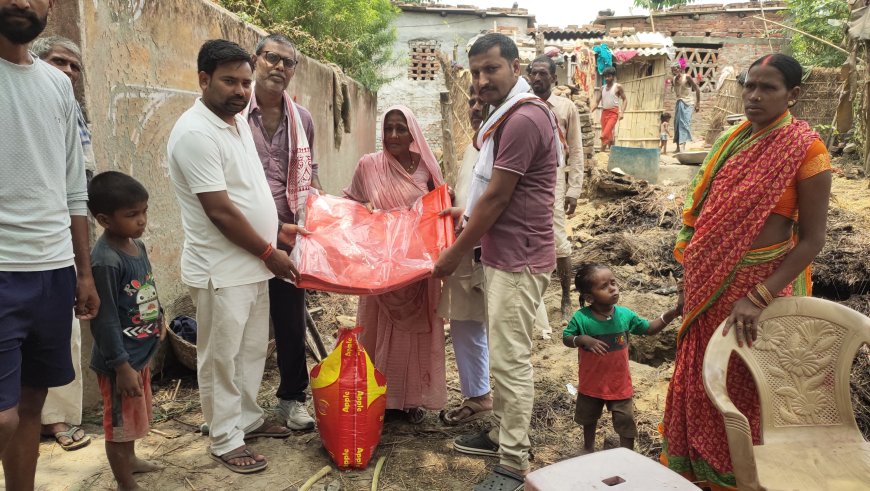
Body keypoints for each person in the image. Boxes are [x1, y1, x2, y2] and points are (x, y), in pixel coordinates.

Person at [661, 54, 832, 489]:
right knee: (702, 378)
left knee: (744, 386)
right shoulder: (732, 141)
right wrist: (689, 278)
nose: (754, 95)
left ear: (793, 95)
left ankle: (743, 477)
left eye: (768, 87)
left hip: (757, 292)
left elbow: (812, 240)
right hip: (707, 283)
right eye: (749, 85)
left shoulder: (807, 151)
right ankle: (700, 472)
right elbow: (704, 215)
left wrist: (758, 297)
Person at [433, 33, 562, 491]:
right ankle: (499, 435)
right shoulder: (505, 116)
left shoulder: (523, 118)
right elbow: (490, 193)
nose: (482, 79)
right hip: (504, 252)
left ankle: (513, 462)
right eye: (476, 72)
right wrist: (462, 212)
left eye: (491, 69)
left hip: (518, 258)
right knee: (505, 355)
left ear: (515, 66)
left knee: (510, 362)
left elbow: (498, 197)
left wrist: (454, 253)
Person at [167, 39, 299, 474]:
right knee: (221, 358)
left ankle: (247, 418)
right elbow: (220, 211)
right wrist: (269, 251)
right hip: (221, 269)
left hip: (252, 264)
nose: (241, 91)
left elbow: (246, 192)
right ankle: (224, 437)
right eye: (229, 81)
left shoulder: (236, 123)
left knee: (250, 351)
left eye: (245, 82)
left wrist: (275, 231)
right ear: (203, 79)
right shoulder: (195, 133)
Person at [0, 1, 100, 489]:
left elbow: (74, 188)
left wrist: (83, 272)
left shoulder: (57, 86)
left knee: (30, 403)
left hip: (54, 270)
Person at [344, 105, 448, 424]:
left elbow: (440, 209)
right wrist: (370, 228)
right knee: (376, 327)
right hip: (381, 264)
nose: (393, 135)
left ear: (412, 132)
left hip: (418, 267)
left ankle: (410, 399)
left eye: (400, 128)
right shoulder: (369, 165)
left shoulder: (426, 168)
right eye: (388, 128)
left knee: (414, 333)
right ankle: (382, 398)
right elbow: (351, 204)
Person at [243, 33, 316, 431]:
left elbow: (310, 171)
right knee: (243, 323)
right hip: (242, 234)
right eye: (272, 58)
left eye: (288, 62)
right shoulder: (236, 113)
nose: (279, 67)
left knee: (291, 320)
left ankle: (291, 399)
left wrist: (322, 212)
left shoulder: (301, 119)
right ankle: (237, 409)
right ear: (256, 59)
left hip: (289, 237)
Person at [31, 34, 94, 452]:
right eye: (59, 61)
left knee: (62, 333)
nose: (69, 71)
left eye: (75, 66)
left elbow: (80, 185)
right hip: (17, 242)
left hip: (61, 238)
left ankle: (57, 417)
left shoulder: (74, 114)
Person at [87, 172, 164, 491]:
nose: (142, 220)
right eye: (132, 214)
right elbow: (103, 318)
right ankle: (124, 482)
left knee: (132, 418)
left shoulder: (137, 245)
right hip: (119, 361)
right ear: (104, 220)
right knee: (118, 425)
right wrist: (120, 365)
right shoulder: (105, 261)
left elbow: (147, 287)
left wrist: (159, 319)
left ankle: (130, 461)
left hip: (139, 353)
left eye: (144, 211)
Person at [563, 263, 680, 453]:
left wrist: (672, 314)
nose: (613, 288)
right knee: (589, 418)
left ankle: (627, 454)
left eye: (613, 282)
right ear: (589, 297)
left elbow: (649, 329)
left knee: (626, 421)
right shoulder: (582, 318)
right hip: (591, 383)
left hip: (619, 383)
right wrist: (582, 339)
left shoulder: (625, 315)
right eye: (604, 286)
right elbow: (566, 338)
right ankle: (588, 448)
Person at [438, 85, 492, 426]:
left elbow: (496, 202)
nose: (474, 107)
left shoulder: (499, 143)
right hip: (466, 246)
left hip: (489, 250)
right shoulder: (474, 145)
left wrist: (466, 216)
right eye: (471, 101)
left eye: (481, 101)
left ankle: (492, 404)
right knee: (465, 323)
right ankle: (478, 394)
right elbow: (475, 197)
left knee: (489, 326)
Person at [527, 55, 585, 328]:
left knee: (559, 238)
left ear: (554, 78)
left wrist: (574, 189)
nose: (537, 78)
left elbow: (576, 150)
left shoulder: (565, 107)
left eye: (543, 74)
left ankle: (565, 299)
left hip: (555, 179)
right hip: (526, 179)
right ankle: (533, 301)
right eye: (533, 73)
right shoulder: (523, 105)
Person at [589, 66, 626, 152]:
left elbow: (625, 100)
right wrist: (590, 111)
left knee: (605, 134)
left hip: (613, 113)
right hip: (604, 113)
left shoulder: (618, 87)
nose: (606, 78)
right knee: (609, 135)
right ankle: (613, 153)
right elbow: (597, 102)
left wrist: (622, 112)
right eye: (605, 76)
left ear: (613, 76)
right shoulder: (602, 88)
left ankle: (601, 152)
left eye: (608, 76)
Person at [670, 60, 701, 153]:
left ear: (680, 69)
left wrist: (698, 103)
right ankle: (677, 147)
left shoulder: (687, 77)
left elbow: (697, 89)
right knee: (677, 124)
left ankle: (682, 147)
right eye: (672, 70)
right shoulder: (673, 79)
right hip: (679, 102)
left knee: (684, 123)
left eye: (675, 69)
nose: (674, 71)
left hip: (688, 103)